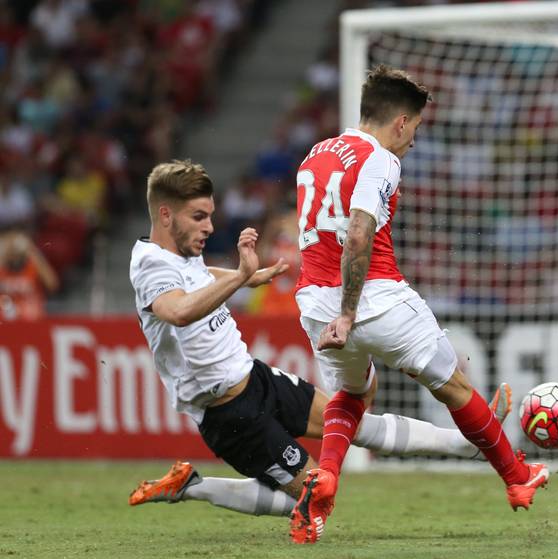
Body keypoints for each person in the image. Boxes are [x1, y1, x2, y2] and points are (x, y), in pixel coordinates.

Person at [128, 160, 513, 520]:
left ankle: (469, 445)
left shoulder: (179, 253)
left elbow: (192, 273)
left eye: (210, 215)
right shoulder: (150, 266)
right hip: (230, 414)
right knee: (318, 500)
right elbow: (177, 311)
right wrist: (240, 275)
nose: (210, 227)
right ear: (165, 214)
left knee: (351, 422)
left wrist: (246, 275)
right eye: (199, 217)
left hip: (258, 378)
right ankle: (193, 486)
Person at [289, 65, 549, 544]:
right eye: (416, 129)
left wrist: (338, 314)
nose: (413, 142)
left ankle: (326, 477)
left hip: (314, 301)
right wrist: (350, 312)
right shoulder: (381, 159)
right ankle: (517, 477)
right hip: (373, 296)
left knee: (353, 394)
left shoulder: (316, 153)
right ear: (401, 122)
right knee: (452, 386)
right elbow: (360, 232)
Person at [0, 229, 59, 320]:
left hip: (33, 320)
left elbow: (53, 285)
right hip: (6, 322)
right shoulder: (2, 269)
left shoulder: (33, 266)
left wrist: (32, 251)